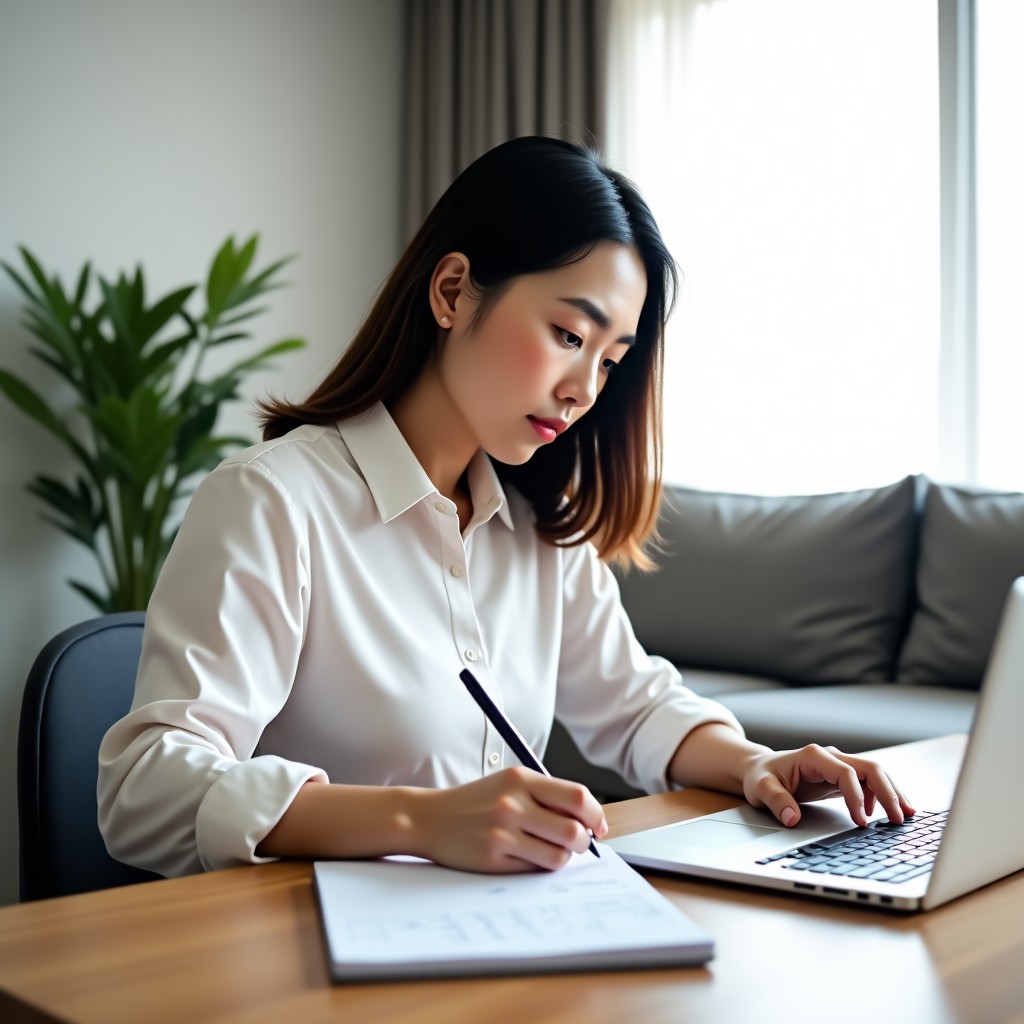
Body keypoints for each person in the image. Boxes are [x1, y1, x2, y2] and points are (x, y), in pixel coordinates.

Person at [98, 137, 914, 878]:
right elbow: (145, 786)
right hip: (302, 956)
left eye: (610, 361)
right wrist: (418, 820)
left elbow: (636, 707)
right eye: (568, 334)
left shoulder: (539, 528)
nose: (584, 389)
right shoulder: (274, 501)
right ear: (453, 291)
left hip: (488, 935)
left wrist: (749, 763)